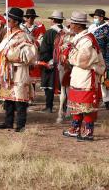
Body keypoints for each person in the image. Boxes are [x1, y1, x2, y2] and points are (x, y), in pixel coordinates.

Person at [63, 11, 105, 141]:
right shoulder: (80, 38)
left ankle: (88, 131)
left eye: (72, 24)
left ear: (78, 25)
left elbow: (83, 60)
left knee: (86, 104)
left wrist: (69, 55)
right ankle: (75, 129)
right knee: (77, 103)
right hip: (79, 75)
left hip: (86, 76)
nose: (70, 26)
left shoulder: (87, 40)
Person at [0, 8, 38, 132]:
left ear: (15, 21)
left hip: (19, 70)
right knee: (8, 97)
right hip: (7, 70)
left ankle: (20, 124)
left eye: (9, 20)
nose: (7, 22)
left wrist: (9, 53)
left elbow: (30, 54)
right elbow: (0, 50)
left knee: (20, 98)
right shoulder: (7, 35)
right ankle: (8, 122)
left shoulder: (24, 36)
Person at [38, 11, 65, 113]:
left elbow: (45, 49)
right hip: (64, 63)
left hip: (52, 62)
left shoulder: (49, 32)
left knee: (49, 85)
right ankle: (64, 107)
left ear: (53, 20)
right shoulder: (66, 31)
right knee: (64, 86)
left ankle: (49, 106)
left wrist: (45, 61)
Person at [88, 9, 109, 110]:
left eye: (96, 17)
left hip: (104, 58)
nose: (94, 19)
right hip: (92, 59)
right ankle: (99, 99)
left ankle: (107, 101)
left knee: (105, 81)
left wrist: (107, 61)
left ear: (101, 18)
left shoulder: (107, 29)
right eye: (94, 17)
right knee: (95, 80)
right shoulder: (91, 28)